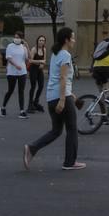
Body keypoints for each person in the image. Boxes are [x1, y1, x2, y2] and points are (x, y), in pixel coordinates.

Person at [23, 27, 82, 171]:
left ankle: (32, 148)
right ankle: (69, 162)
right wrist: (63, 100)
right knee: (72, 129)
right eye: (72, 38)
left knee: (56, 130)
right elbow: (62, 78)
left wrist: (70, 95)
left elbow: (58, 78)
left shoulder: (55, 54)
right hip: (60, 97)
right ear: (67, 40)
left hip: (51, 97)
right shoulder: (65, 55)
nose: (74, 40)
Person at [0, 33, 29, 119]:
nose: (16, 39)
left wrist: (27, 46)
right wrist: (16, 65)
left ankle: (22, 111)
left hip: (22, 72)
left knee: (21, 91)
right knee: (10, 90)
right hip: (12, 72)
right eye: (15, 37)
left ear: (22, 39)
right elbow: (8, 58)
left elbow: (28, 58)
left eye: (18, 37)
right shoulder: (10, 46)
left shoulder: (23, 47)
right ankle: (3, 107)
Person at [26, 34, 47, 113]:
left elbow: (44, 60)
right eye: (40, 40)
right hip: (33, 69)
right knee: (33, 86)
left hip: (39, 70)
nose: (41, 42)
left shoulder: (44, 49)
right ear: (37, 41)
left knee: (41, 86)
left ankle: (36, 102)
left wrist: (42, 64)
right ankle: (30, 105)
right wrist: (40, 61)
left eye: (43, 41)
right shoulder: (34, 49)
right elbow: (30, 61)